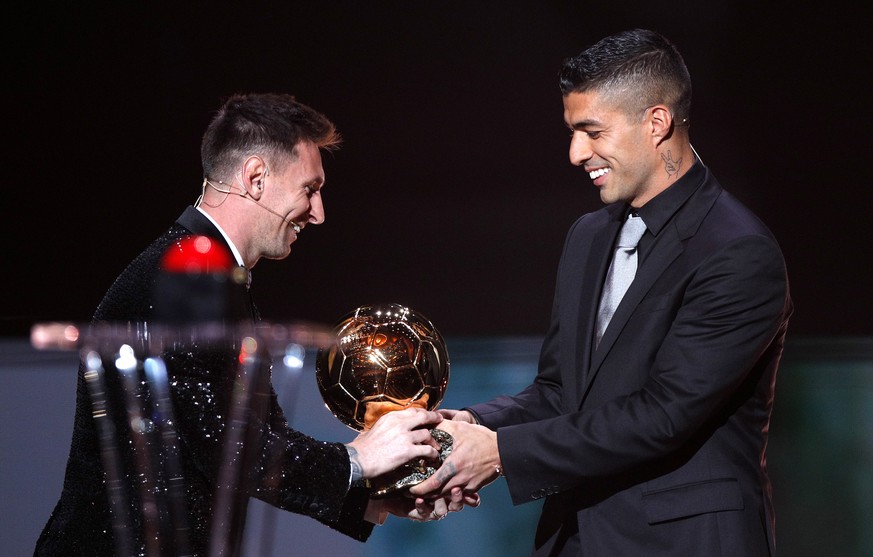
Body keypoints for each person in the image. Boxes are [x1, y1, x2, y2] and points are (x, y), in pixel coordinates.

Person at [35, 93, 472, 556]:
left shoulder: (213, 274)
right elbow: (223, 445)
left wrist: (379, 494)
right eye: (310, 188)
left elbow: (256, 439)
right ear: (256, 178)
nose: (319, 212)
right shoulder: (184, 275)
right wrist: (357, 460)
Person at [411, 29, 792, 556]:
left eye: (592, 131)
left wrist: (499, 452)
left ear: (656, 123)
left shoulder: (738, 253)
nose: (575, 153)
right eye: (572, 132)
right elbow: (559, 392)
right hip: (574, 538)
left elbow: (664, 414)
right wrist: (476, 424)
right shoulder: (588, 236)